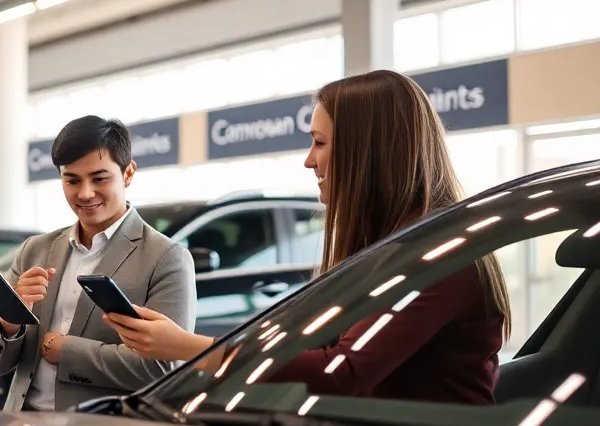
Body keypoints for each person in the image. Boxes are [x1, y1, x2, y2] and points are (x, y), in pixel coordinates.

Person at [104, 69, 510, 404]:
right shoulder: (391, 248)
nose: (309, 160)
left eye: (319, 143)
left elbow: (340, 372)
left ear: (366, 152)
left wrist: (191, 348)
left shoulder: (437, 258)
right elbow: (311, 352)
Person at [0, 115, 196, 412]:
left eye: (99, 178)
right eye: (72, 180)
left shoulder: (166, 258)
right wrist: (8, 321)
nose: (85, 193)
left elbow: (162, 367)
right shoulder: (35, 250)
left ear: (128, 173)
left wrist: (63, 350)